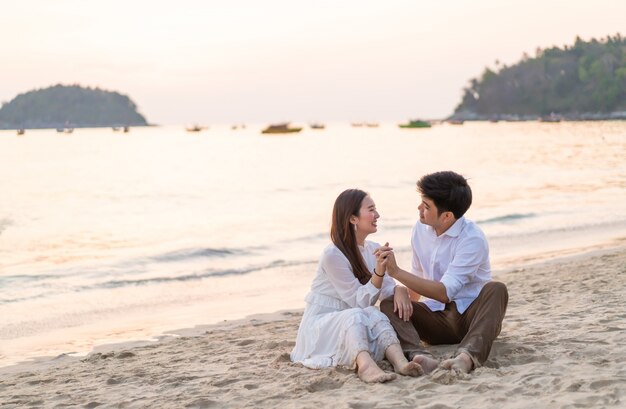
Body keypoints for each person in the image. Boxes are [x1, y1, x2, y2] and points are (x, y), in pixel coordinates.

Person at [376, 171, 508, 374]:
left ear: (447, 216)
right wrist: (401, 291)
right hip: (435, 320)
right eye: (421, 202)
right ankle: (421, 357)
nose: (419, 208)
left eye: (426, 206)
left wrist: (396, 272)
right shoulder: (420, 230)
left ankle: (466, 358)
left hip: (472, 321)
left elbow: (444, 292)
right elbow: (417, 277)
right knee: (388, 303)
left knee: (496, 288)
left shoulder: (472, 239)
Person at [290, 189, 422, 383]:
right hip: (323, 324)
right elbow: (357, 302)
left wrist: (399, 289)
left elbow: (386, 289)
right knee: (358, 313)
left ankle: (400, 362)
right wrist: (378, 271)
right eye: (371, 210)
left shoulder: (372, 248)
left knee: (376, 314)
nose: (377, 215)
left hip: (354, 320)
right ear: (353, 218)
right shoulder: (333, 255)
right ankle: (366, 366)